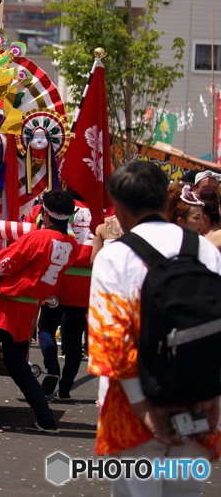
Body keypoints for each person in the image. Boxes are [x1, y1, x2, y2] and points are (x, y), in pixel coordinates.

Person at [89, 160, 221, 497]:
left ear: (117, 208)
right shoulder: (205, 248)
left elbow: (111, 339)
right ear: (166, 201)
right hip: (199, 399)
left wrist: (142, 406)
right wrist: (212, 394)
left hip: (132, 405)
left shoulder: (114, 255)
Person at [0, 189, 79, 433]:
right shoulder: (72, 244)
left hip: (4, 305)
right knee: (16, 364)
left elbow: (2, 265)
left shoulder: (39, 237)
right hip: (27, 309)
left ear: (45, 212)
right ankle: (46, 420)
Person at [35, 186, 94, 400]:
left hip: (57, 272)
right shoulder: (97, 211)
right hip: (84, 280)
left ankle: (52, 367)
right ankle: (66, 389)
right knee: (74, 337)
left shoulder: (54, 206)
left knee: (46, 327)